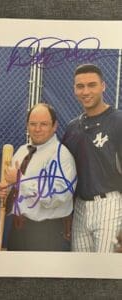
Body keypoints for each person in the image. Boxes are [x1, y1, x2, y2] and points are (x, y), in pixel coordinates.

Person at [0, 103, 77, 251]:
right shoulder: (22, 151)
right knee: (16, 274)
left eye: (44, 124)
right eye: (33, 124)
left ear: (55, 126)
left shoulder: (61, 155)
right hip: (18, 230)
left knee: (42, 275)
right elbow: (14, 189)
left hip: (47, 233)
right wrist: (4, 191)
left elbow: (57, 197)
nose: (37, 129)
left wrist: (20, 181)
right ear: (27, 125)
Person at [63, 64, 122, 253]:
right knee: (81, 274)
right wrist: (68, 215)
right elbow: (68, 175)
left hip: (110, 204)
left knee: (105, 272)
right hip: (80, 207)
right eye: (80, 86)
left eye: (92, 85)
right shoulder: (73, 127)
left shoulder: (118, 121)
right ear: (74, 89)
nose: (85, 91)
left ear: (103, 86)